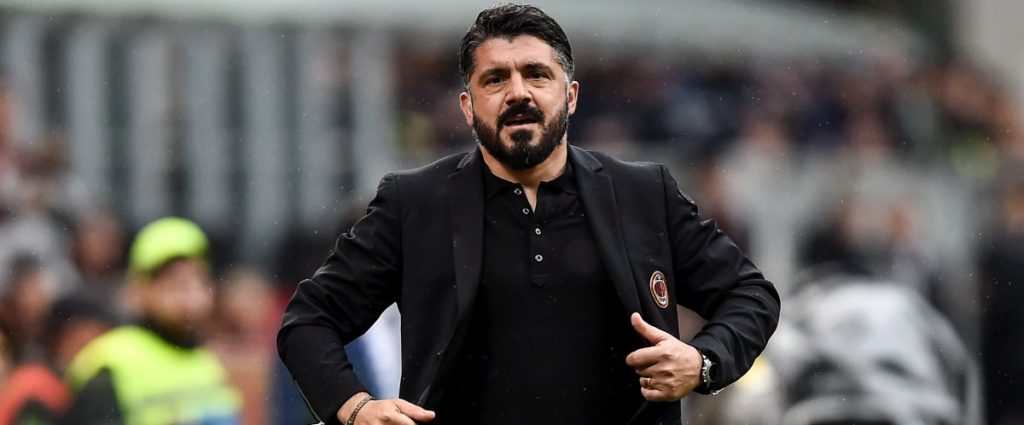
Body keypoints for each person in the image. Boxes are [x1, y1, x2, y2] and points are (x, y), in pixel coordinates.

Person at [277, 4, 780, 425]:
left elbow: (750, 294)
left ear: (571, 95)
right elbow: (308, 320)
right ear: (468, 107)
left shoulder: (643, 194)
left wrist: (703, 362)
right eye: (495, 79)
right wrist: (355, 408)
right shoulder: (414, 204)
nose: (518, 92)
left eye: (537, 74)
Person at [63, 217, 241, 425]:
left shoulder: (208, 362)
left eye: (196, 279)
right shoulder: (110, 364)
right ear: (139, 290)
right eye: (174, 283)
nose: (189, 296)